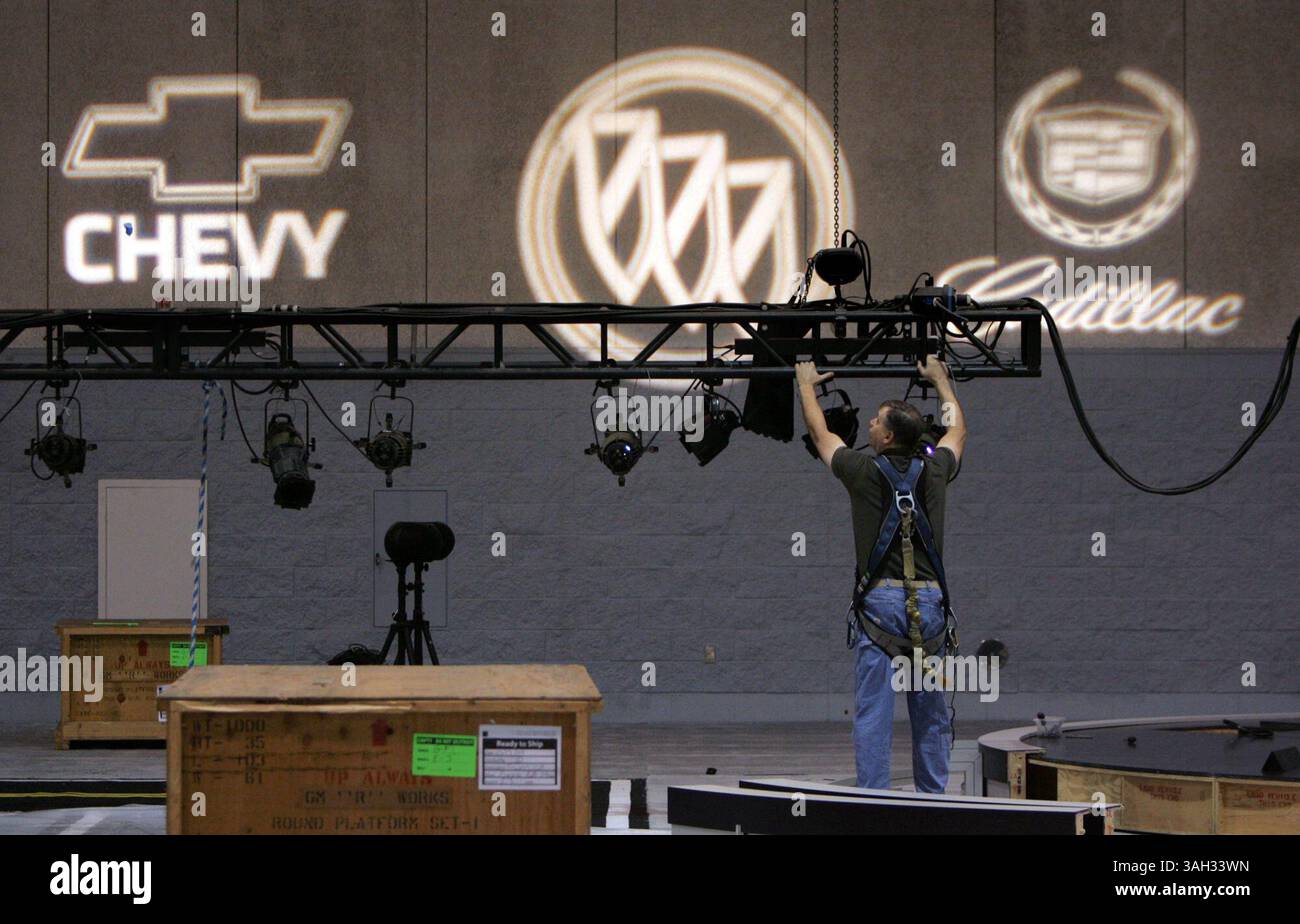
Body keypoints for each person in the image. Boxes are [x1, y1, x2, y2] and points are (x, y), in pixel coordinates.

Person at [795, 356, 967, 792]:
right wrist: (941, 381)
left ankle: (875, 803)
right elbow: (957, 431)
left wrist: (805, 385)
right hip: (929, 606)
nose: (867, 425)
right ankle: (934, 800)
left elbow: (821, 435)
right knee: (931, 716)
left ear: (887, 437)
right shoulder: (938, 470)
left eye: (874, 422)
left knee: (873, 713)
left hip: (881, 608)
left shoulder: (863, 472)